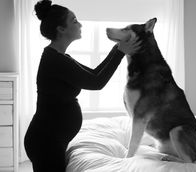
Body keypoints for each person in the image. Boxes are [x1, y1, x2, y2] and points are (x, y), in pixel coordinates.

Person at [24, 0, 141, 172]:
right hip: (45, 142)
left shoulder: (60, 57)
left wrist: (118, 49)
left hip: (50, 139)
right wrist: (120, 52)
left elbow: (94, 74)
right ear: (61, 29)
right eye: (74, 20)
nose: (80, 24)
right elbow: (97, 83)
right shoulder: (54, 60)